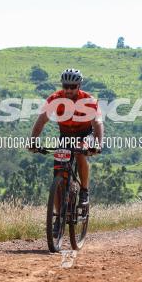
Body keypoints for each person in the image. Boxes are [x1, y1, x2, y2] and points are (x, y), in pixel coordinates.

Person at [28, 68, 103, 206]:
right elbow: (41, 120)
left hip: (85, 134)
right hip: (66, 136)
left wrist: (98, 144)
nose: (68, 90)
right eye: (65, 86)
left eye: (72, 87)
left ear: (79, 86)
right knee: (58, 175)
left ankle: (84, 190)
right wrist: (33, 141)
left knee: (80, 153)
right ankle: (57, 219)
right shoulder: (55, 99)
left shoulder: (88, 100)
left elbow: (97, 122)